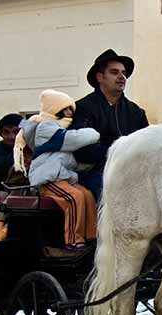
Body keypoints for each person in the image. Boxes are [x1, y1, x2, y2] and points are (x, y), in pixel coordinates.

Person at [14, 89, 100, 253]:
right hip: (48, 179)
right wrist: (93, 132)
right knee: (74, 198)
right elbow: (72, 140)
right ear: (55, 109)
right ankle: (74, 241)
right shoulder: (46, 127)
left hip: (64, 177)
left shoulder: (59, 128)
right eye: (66, 109)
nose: (70, 113)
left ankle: (91, 237)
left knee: (88, 196)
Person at [71, 49, 149, 200]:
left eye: (124, 73)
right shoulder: (84, 107)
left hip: (133, 171)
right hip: (97, 172)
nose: (121, 77)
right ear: (100, 77)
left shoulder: (136, 112)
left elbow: (147, 145)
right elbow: (82, 150)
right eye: (114, 72)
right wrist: (119, 150)